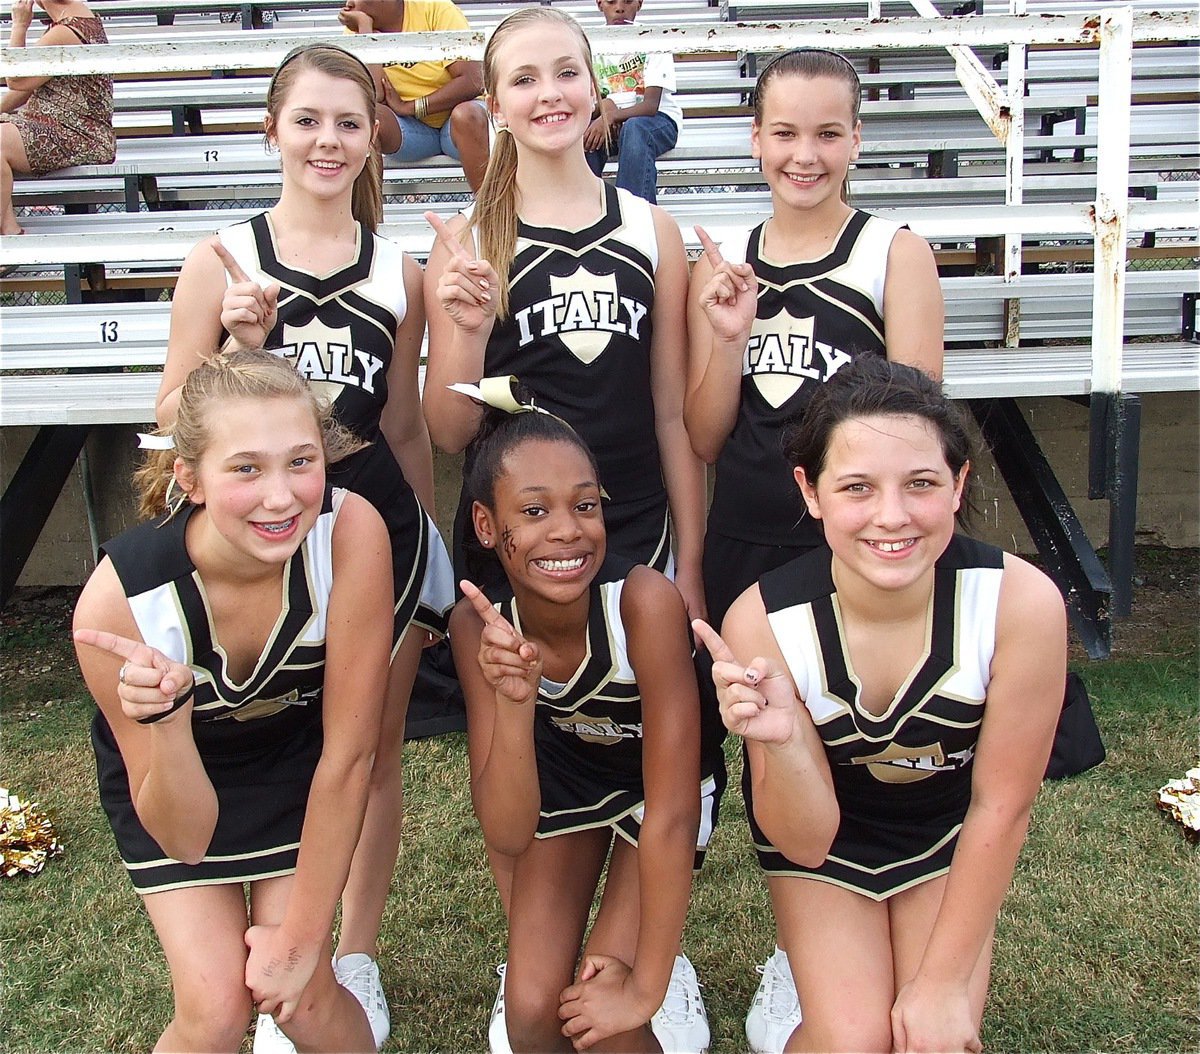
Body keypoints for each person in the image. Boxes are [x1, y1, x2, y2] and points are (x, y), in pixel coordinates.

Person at [158, 43, 454, 1052]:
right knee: (254, 734)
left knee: (365, 752)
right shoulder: (223, 258)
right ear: (273, 129)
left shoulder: (394, 266)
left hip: (369, 519)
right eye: (307, 119)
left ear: (377, 130)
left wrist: (423, 543)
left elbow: (406, 420)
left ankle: (350, 952)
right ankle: (259, 931)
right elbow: (169, 414)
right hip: (257, 529)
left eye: (348, 120)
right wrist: (228, 351)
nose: (329, 140)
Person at [683, 48, 945, 1051]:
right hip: (751, 537)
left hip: (861, 551)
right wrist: (729, 335)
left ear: (856, 140)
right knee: (769, 743)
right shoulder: (726, 255)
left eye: (828, 132)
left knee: (853, 739)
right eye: (784, 132)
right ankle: (802, 946)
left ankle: (827, 942)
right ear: (755, 139)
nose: (806, 153)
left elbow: (923, 429)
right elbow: (706, 434)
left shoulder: (894, 252)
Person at [693, 356, 1067, 1054]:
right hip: (831, 841)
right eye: (857, 487)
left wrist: (945, 985)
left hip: (944, 838)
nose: (890, 518)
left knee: (927, 1040)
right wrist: (783, 740)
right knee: (853, 1040)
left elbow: (1001, 806)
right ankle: (805, 978)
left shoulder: (1019, 604)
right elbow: (804, 838)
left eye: (920, 483)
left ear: (957, 485)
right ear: (810, 490)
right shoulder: (766, 621)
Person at [73, 349, 392, 1054]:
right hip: (179, 779)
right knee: (216, 1010)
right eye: (246, 468)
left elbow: (352, 754)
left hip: (297, 767)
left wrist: (303, 943)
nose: (281, 497)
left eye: (301, 462)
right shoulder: (122, 604)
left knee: (305, 997)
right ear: (189, 478)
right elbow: (182, 835)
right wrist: (166, 725)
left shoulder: (352, 534)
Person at [451, 385, 718, 1053]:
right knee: (533, 1010)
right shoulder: (474, 627)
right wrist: (514, 710)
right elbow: (509, 832)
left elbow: (674, 812)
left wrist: (645, 985)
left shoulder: (644, 605)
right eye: (534, 511)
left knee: (601, 1008)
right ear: (488, 526)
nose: (567, 530)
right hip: (568, 782)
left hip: (661, 796)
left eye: (586, 506)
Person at [423, 5, 707, 627]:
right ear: (494, 104)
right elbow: (446, 432)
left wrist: (692, 557)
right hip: (516, 529)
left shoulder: (650, 228)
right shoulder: (468, 240)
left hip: (633, 518)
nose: (549, 94)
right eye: (523, 80)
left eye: (566, 73)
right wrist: (468, 333)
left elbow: (670, 412)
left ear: (595, 86)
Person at [338, 0, 490, 192]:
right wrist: (366, 31)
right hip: (413, 131)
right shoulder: (358, 30)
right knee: (367, 119)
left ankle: (492, 216)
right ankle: (369, 220)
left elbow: (473, 80)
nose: (348, 4)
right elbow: (374, 95)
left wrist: (412, 106)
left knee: (467, 115)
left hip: (457, 125)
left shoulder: (435, 9)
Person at [1, 0, 114, 238]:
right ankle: (10, 231)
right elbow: (28, 87)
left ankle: (8, 238)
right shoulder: (67, 20)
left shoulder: (67, 30)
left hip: (78, 133)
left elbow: (16, 79)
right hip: (53, 124)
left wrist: (19, 25)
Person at [583, 0, 683, 205]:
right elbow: (585, 100)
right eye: (611, 1)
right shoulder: (589, 43)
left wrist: (611, 114)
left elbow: (650, 106)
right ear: (600, 3)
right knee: (584, 138)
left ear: (639, 3)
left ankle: (635, 215)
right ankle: (586, 214)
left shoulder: (653, 39)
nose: (619, 8)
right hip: (609, 121)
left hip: (656, 121)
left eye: (628, 1)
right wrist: (606, 106)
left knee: (635, 129)